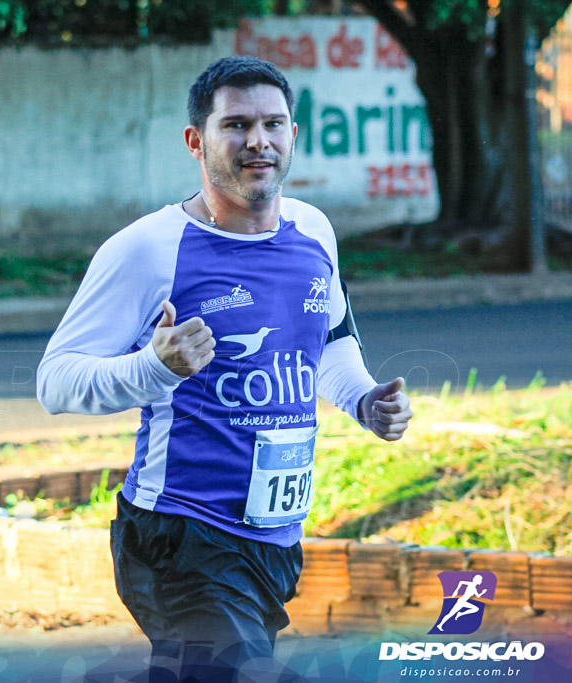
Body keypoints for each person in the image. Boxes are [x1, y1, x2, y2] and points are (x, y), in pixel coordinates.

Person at [36, 56, 413, 682]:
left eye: (273, 124)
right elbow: (54, 382)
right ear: (197, 141)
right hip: (180, 534)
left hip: (274, 540)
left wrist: (365, 401)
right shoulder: (146, 249)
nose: (257, 141)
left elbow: (332, 343)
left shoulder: (315, 232)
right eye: (236, 125)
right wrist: (153, 368)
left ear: (294, 134)